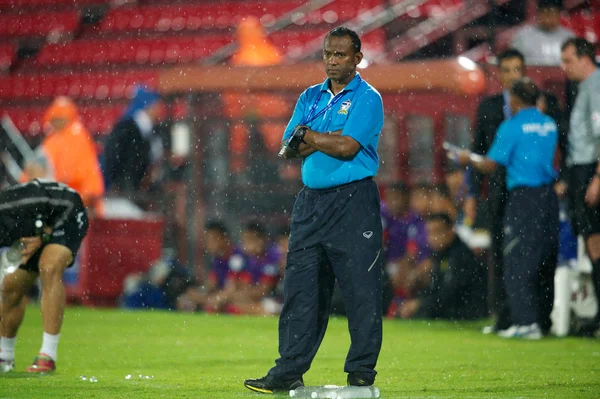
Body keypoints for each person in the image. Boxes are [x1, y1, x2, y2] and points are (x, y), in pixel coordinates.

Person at [244, 27, 384, 393]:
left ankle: (361, 372)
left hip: (354, 201)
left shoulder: (368, 98)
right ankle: (288, 370)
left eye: (340, 55)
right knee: (301, 289)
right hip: (311, 203)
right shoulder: (310, 95)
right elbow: (287, 148)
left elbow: (348, 149)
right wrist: (318, 139)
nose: (332, 60)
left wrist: (309, 136)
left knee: (360, 289)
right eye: (327, 54)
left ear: (357, 58)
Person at [452, 78, 559, 339]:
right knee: (543, 260)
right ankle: (541, 320)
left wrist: (467, 158)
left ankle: (525, 324)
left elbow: (490, 164)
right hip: (548, 196)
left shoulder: (511, 126)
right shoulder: (549, 125)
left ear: (515, 100)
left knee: (516, 260)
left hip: (523, 197)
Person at [0, 180, 89, 372]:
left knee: (49, 268)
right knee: (11, 287)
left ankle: (47, 355)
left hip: (68, 212)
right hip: (38, 231)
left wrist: (43, 236)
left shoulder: (9, 206)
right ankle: (4, 357)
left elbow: (58, 203)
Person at [560, 37, 600, 335]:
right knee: (591, 243)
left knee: (596, 243)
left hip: (590, 169)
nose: (564, 67)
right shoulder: (585, 87)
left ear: (585, 58)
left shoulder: (595, 85)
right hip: (582, 169)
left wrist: (598, 177)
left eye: (568, 60)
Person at [21, 96, 105, 216]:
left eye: (59, 118)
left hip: (80, 200)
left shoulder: (76, 136)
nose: (56, 122)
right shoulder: (54, 139)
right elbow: (35, 167)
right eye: (55, 119)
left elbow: (74, 174)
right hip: (64, 200)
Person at [397, 213, 487, 321]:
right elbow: (436, 289)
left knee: (421, 313)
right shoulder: (441, 255)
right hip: (450, 311)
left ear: (450, 231)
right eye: (429, 233)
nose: (432, 238)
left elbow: (449, 294)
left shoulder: (460, 255)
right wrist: (417, 301)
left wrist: (420, 304)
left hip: (465, 314)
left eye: (437, 232)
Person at [103, 86, 163, 194]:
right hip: (128, 189)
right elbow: (115, 157)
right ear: (149, 106)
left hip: (138, 188)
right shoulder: (127, 128)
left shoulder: (153, 129)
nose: (159, 109)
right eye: (156, 105)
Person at [511, 0, 574, 66]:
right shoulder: (523, 37)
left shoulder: (569, 38)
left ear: (559, 14)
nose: (549, 17)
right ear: (538, 14)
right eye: (546, 13)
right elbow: (513, 64)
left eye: (553, 13)